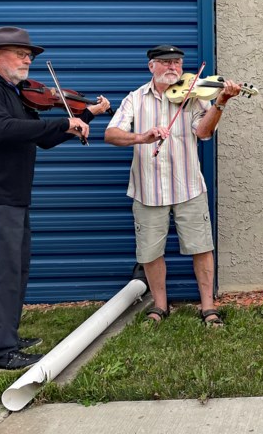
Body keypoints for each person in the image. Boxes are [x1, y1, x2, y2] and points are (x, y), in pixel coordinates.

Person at [0, 26, 109, 372]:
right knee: (0, 272)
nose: (28, 59)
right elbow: (4, 130)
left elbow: (41, 138)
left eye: (29, 55)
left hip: (12, 195)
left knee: (15, 269)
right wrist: (60, 123)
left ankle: (3, 336)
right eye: (21, 53)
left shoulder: (12, 92)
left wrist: (83, 116)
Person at [104, 45, 246, 327]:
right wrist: (141, 137)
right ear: (151, 67)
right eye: (165, 62)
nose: (173, 68)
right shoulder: (135, 99)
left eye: (177, 63)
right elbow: (111, 134)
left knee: (201, 247)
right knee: (150, 252)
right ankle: (160, 306)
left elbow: (204, 133)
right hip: (147, 190)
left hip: (188, 187)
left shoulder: (193, 98)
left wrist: (220, 102)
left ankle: (208, 307)